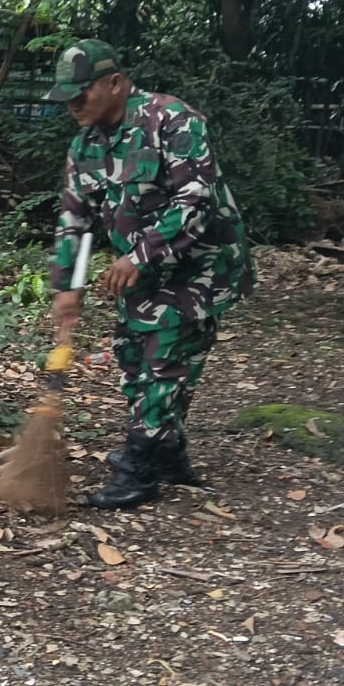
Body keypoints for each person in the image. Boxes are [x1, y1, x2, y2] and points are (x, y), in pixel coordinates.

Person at [45, 39, 253, 509]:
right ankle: (169, 454)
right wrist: (67, 287)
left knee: (163, 362)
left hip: (200, 267)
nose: (74, 106)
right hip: (141, 275)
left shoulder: (173, 120)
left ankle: (138, 471)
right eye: (67, 99)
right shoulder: (85, 147)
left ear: (114, 83)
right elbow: (74, 221)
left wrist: (139, 255)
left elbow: (196, 201)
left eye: (82, 95)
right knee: (134, 362)